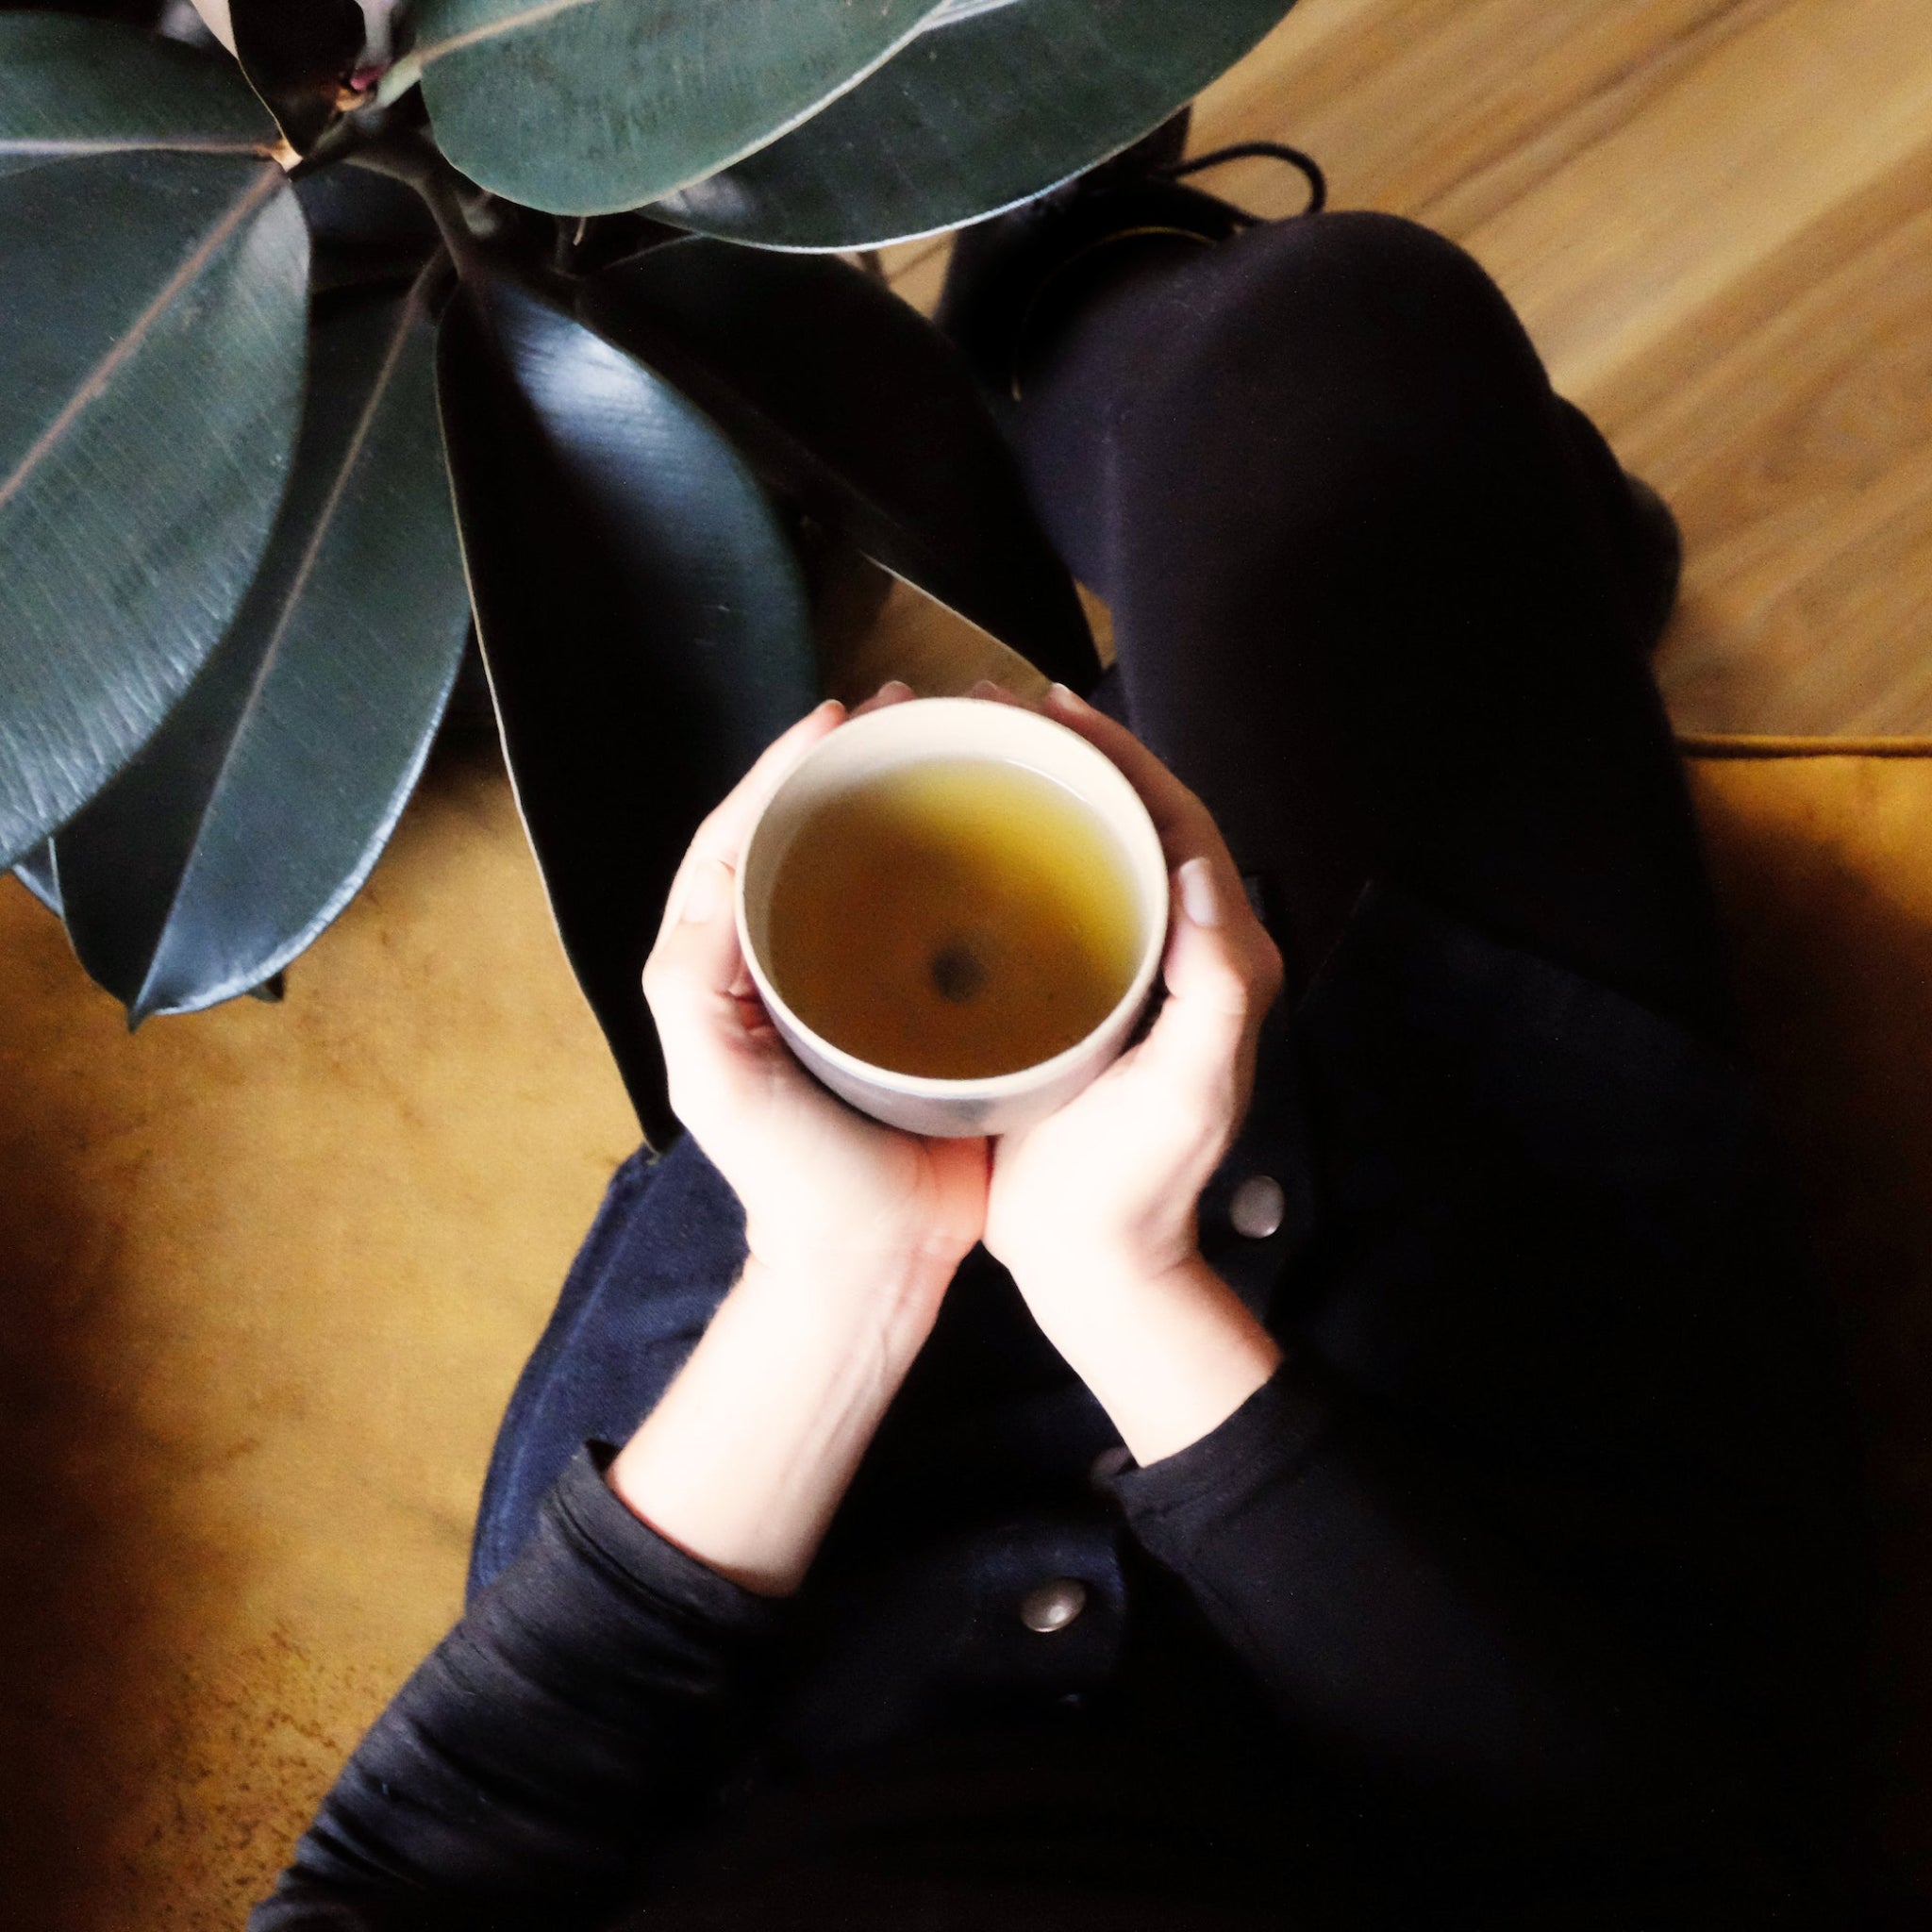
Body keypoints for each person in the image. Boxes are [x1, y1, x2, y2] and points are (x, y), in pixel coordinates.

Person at [250, 173, 1865, 1931]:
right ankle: (1133, 315)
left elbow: (401, 1879)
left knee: (1307, 432)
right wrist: (1129, 1298)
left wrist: (844, 1281)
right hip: (1469, 1580)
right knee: (1346, 348)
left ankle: (1089, 367)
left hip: (750, 1592)